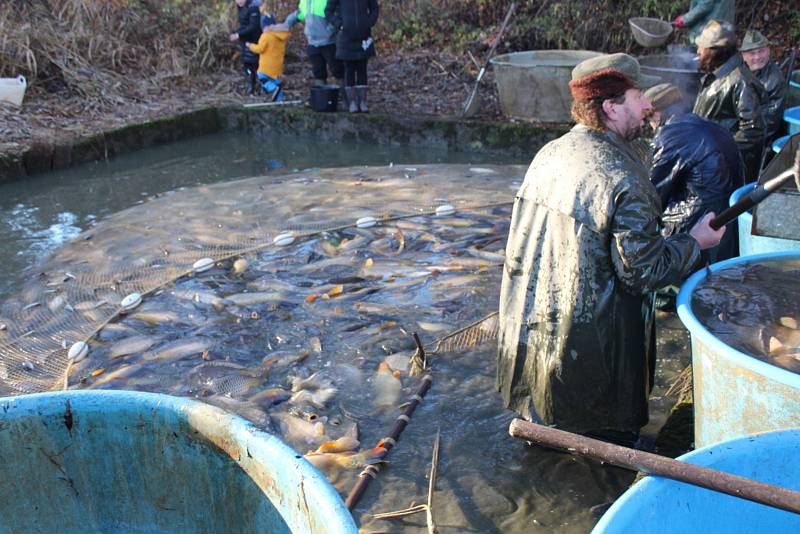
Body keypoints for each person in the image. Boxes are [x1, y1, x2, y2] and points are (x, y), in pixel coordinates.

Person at [496, 53, 725, 448]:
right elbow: (644, 272)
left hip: (533, 355)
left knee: (546, 450)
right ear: (610, 107)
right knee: (603, 464)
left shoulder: (550, 153)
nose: (649, 105)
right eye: (639, 97)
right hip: (592, 364)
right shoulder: (623, 178)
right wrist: (695, 243)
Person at [646, 82, 742, 262]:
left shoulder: (669, 137)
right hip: (730, 225)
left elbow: (652, 194)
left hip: (697, 228)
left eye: (648, 120)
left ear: (657, 114)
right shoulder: (714, 127)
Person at [692, 20, 766, 183]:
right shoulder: (720, 75)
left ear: (713, 51)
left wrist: (716, 151)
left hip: (728, 171)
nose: (698, 51)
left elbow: (753, 131)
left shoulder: (740, 80)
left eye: (702, 47)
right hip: (713, 165)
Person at [325, 0, 379, 113]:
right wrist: (340, 25)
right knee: (348, 70)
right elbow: (328, 11)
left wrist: (369, 22)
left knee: (362, 69)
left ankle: (363, 102)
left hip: (364, 36)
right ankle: (352, 103)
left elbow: (375, 9)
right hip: (346, 37)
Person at [285, 0, 345, 94]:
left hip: (329, 42)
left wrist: (331, 29)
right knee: (318, 73)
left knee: (338, 71)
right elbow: (301, 14)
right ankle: (322, 101)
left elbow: (339, 13)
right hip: (312, 42)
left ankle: (348, 100)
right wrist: (287, 24)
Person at [740, 29, 788, 145]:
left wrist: (741, 138)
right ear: (743, 55)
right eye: (752, 53)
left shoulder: (775, 80)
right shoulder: (738, 71)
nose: (757, 57)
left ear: (768, 51)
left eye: (761, 51)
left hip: (758, 137)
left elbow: (770, 122)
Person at [247, 23, 292, 101]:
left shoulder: (266, 36)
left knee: (261, 77)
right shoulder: (281, 36)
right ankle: (280, 99)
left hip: (266, 65)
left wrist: (250, 45)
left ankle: (273, 89)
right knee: (276, 81)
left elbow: (260, 49)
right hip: (278, 66)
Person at [229, 0, 263, 96]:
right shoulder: (241, 8)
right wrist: (236, 33)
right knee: (247, 64)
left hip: (254, 40)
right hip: (245, 40)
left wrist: (239, 34)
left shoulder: (253, 8)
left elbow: (254, 26)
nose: (238, 1)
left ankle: (257, 87)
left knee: (254, 64)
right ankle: (251, 87)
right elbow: (244, 25)